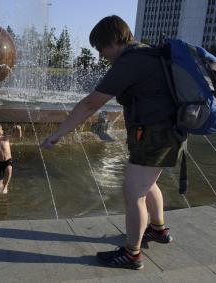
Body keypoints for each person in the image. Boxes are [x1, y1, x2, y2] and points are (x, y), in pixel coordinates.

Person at [41, 15, 183, 270]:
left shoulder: (130, 62)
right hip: (168, 131)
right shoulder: (147, 53)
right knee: (148, 184)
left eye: (101, 48)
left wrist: (58, 133)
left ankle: (132, 255)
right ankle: (158, 230)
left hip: (154, 135)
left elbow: (90, 103)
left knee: (134, 194)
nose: (101, 55)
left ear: (114, 41)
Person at [0, 123, 22, 194]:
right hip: (0, 163)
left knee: (9, 169)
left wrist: (19, 129)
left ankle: (6, 186)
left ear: (2, 132)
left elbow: (18, 136)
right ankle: (1, 187)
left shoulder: (6, 138)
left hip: (8, 160)